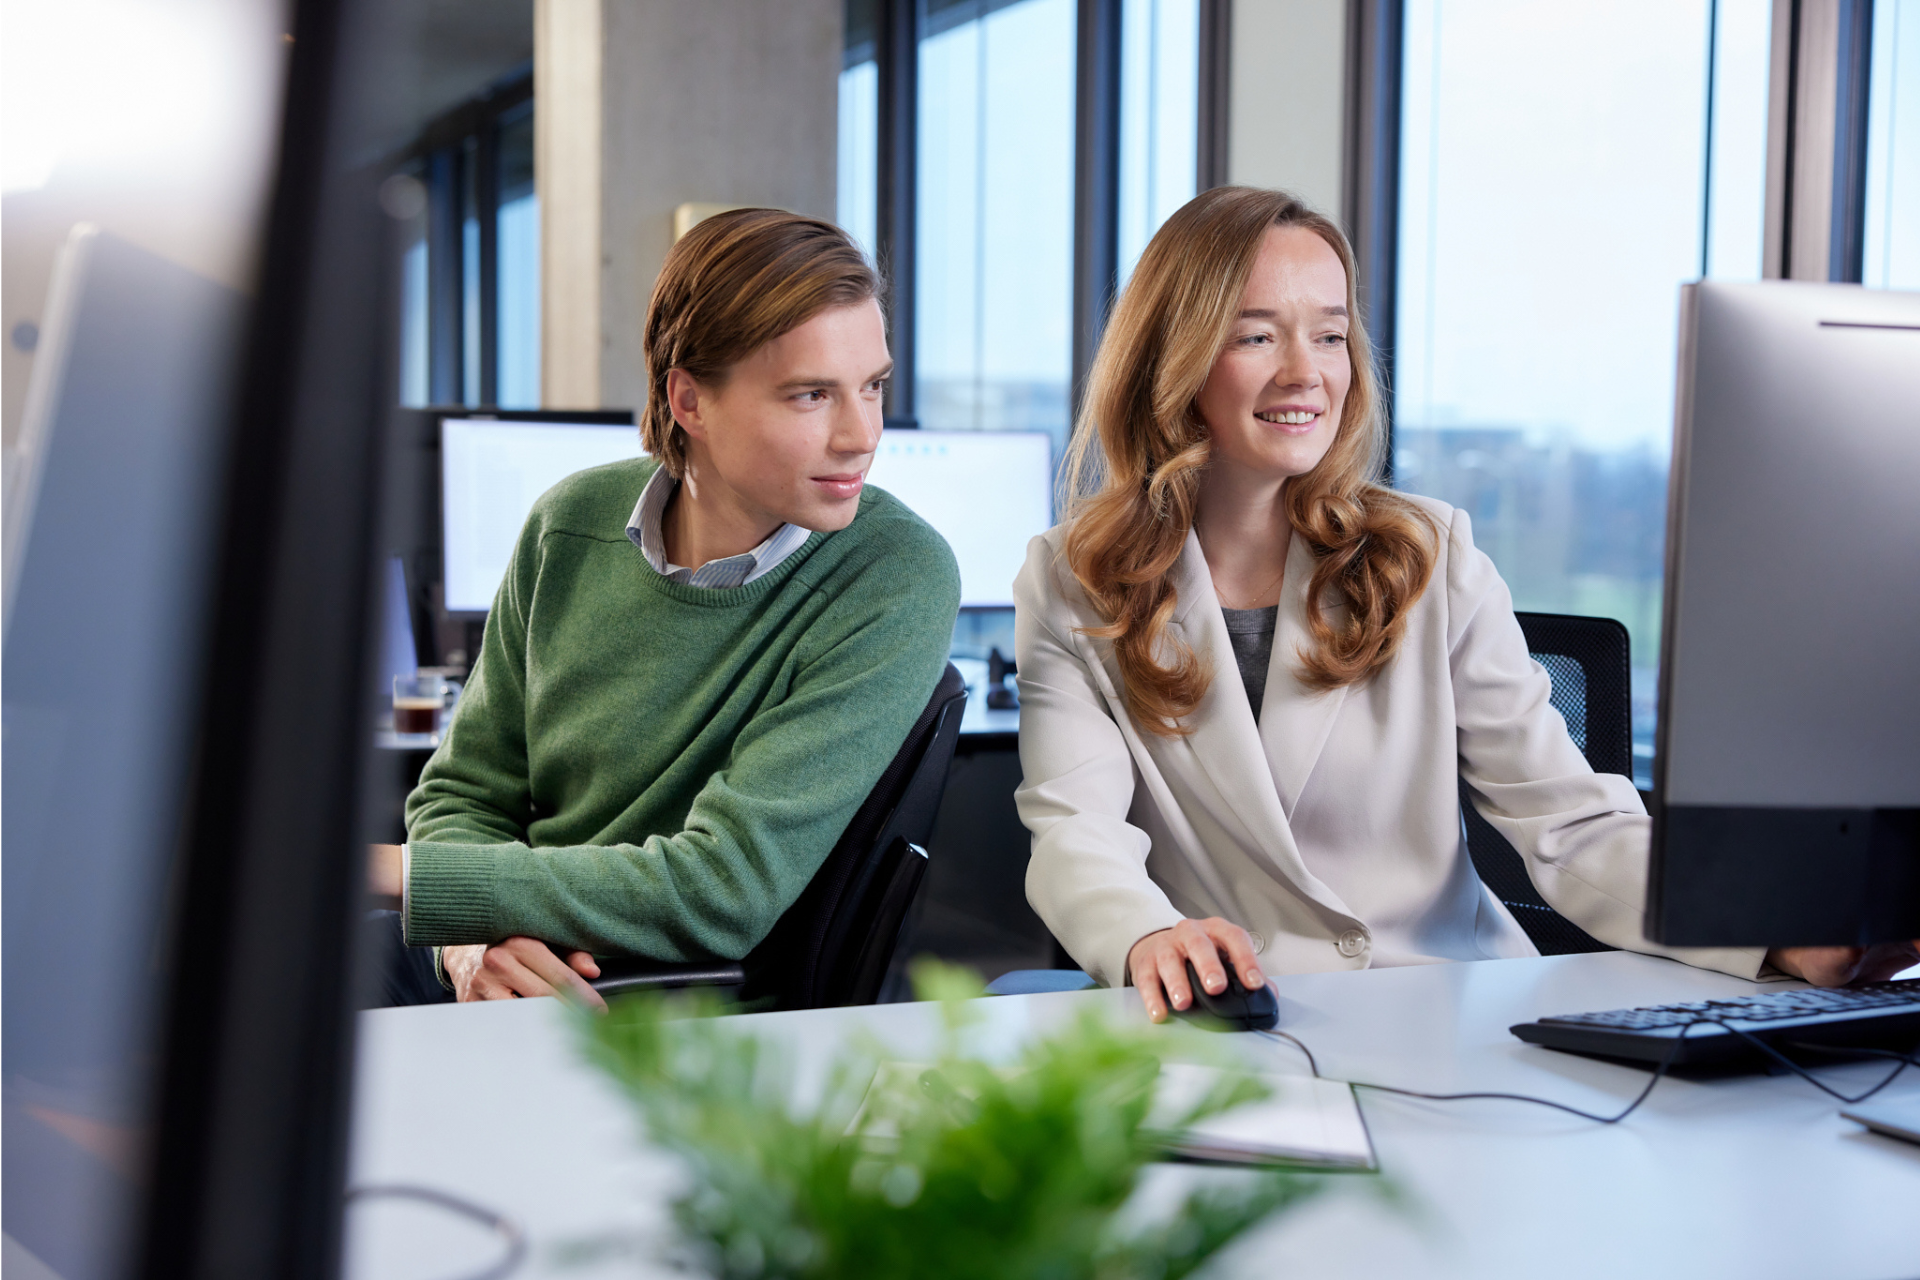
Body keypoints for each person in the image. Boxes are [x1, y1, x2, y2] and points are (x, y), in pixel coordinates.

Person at [1012, 186, 1919, 1022]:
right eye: (1255, 337)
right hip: (1238, 1021)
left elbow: (1571, 825)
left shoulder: (1426, 553)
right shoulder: (1073, 578)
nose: (1305, 373)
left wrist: (1771, 930)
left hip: (1446, 1014)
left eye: (1329, 336)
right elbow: (1074, 829)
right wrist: (1146, 936)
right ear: (1174, 358)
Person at [367, 209, 960, 1006]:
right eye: (813, 395)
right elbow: (465, 793)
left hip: (661, 997)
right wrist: (470, 939)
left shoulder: (892, 571)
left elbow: (721, 890)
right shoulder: (568, 523)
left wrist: (400, 874)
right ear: (690, 402)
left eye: (874, 387)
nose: (863, 435)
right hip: (503, 964)